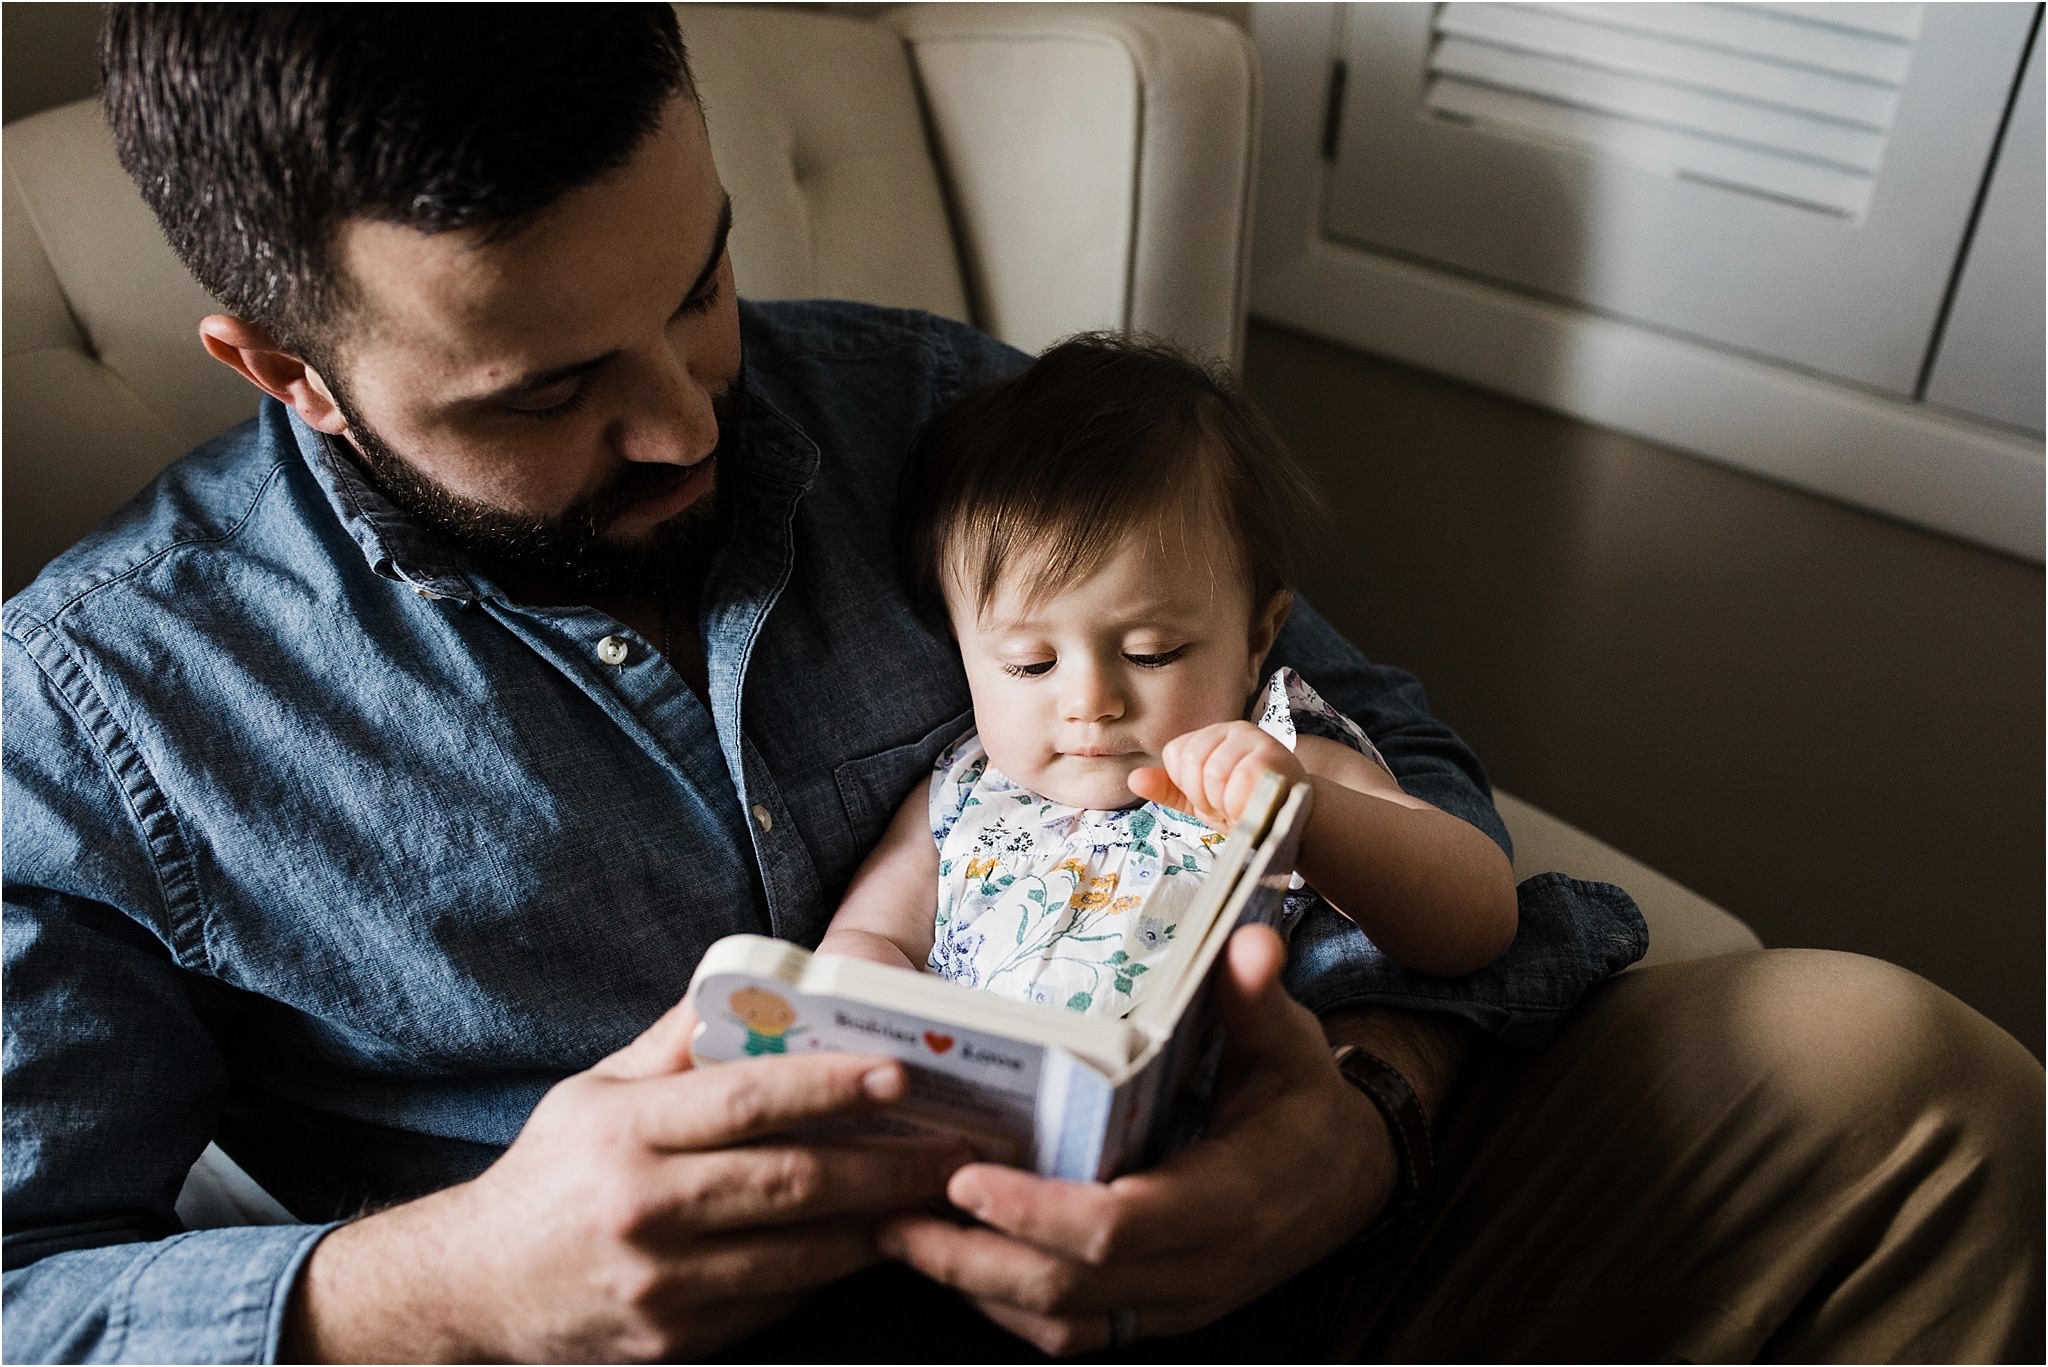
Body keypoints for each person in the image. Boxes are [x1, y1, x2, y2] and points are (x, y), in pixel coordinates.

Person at [2, 7, 2038, 1364]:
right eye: (544, 388)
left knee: (1894, 1078)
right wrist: (445, 1284)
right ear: (281, 365)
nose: (682, 416)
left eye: (697, 281)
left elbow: (1382, 747)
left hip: (1292, 1233)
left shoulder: (942, 408)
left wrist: (1377, 1106)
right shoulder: (93, 711)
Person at [817, 336, 1518, 1012]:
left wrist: (1310, 815)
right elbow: (863, 941)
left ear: (1256, 638)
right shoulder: (957, 798)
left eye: (1151, 653)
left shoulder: (1276, 763)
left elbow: (1480, 912)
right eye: (1029, 663)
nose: (1091, 702)